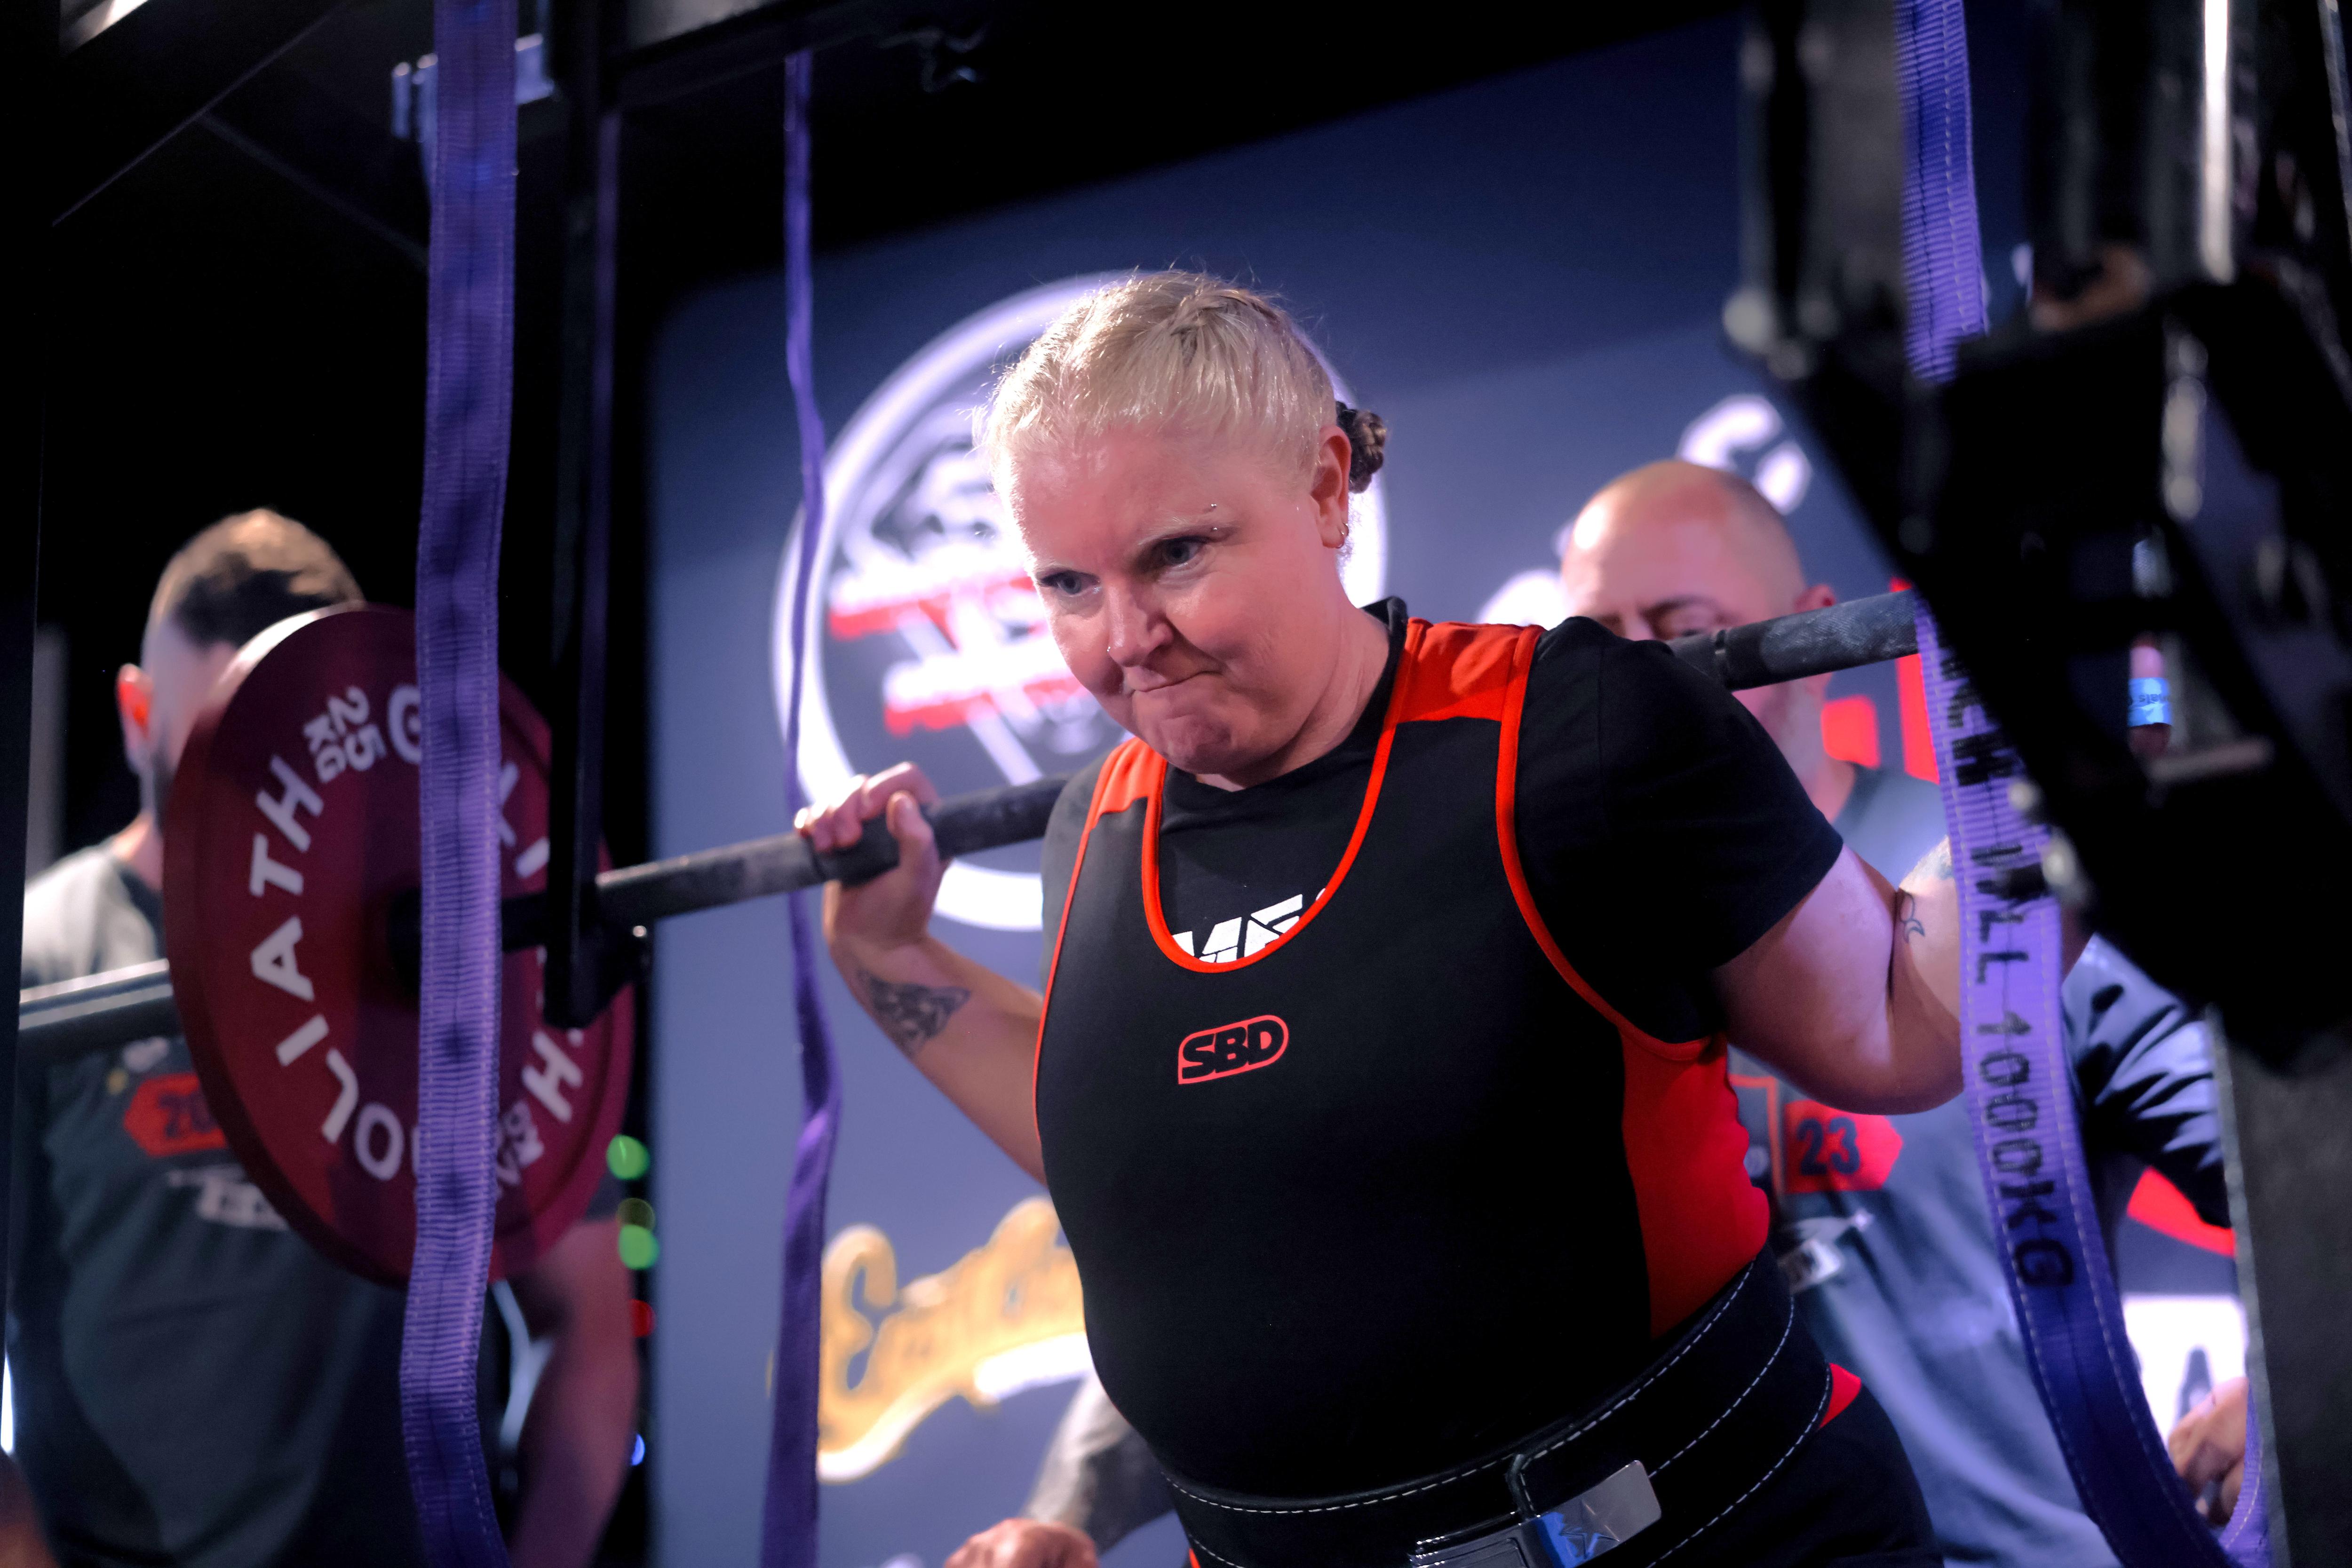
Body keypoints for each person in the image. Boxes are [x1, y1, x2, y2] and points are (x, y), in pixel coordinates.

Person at [803, 274, 1966, 1568]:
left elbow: (1898, 1026)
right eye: (1070, 584)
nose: (1127, 638)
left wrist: (2078, 774)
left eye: (1177, 555)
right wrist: (888, 954)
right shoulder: (1100, 822)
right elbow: (1155, 1140)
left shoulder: (1571, 729)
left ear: (1322, 490)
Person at [15, 511, 640, 1568]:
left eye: (274, 746)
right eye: (209, 747)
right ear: (137, 713)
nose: (248, 787)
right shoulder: (44, 958)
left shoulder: (452, 958)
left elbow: (586, 1326)